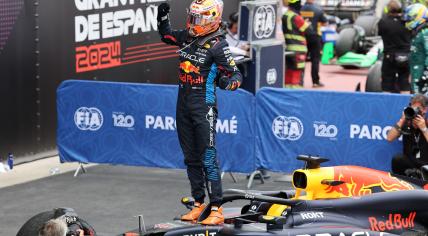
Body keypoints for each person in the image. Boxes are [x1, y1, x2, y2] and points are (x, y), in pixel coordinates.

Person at [157, 0, 242, 225]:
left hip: (203, 105)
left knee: (208, 157)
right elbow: (166, 36)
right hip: (182, 102)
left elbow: (236, 76)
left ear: (211, 18)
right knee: (190, 158)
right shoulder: (187, 36)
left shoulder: (218, 44)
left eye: (198, 19)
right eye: (192, 17)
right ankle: (197, 203)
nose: (194, 23)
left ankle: (216, 208)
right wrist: (162, 16)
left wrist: (226, 83)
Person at [387, 94, 428, 177]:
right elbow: (389, 138)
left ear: (424, 110)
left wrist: (424, 129)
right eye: (413, 108)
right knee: (397, 159)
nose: (415, 111)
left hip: (426, 164)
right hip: (410, 163)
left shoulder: (426, 124)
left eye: (418, 109)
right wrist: (402, 120)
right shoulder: (406, 124)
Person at [378, 0, 411, 94]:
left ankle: (385, 106)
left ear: (387, 9)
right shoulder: (406, 22)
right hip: (405, 56)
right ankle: (405, 106)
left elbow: (380, 33)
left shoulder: (383, 22)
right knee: (404, 83)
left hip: (389, 57)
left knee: (386, 84)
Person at [282, 0, 310, 88]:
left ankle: (287, 91)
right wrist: (307, 23)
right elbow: (308, 31)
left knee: (289, 72)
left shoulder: (284, 15)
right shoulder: (296, 17)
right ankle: (296, 93)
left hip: (288, 49)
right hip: (299, 50)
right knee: (297, 74)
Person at [300, 0, 327, 88]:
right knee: (315, 59)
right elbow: (325, 22)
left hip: (303, 37)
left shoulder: (300, 9)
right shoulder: (318, 9)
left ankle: (300, 81)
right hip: (315, 37)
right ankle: (315, 81)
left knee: (301, 60)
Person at [403, 3, 428, 93]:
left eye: (410, 18)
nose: (407, 21)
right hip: (416, 73)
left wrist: (426, 75)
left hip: (422, 75)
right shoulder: (417, 33)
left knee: (420, 103)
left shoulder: (425, 32)